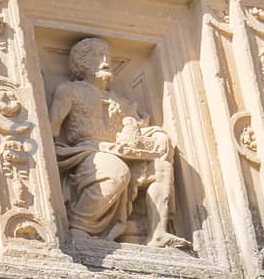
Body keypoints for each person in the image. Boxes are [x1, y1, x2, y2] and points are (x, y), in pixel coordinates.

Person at [49, 37, 188, 248]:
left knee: (160, 167)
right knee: (115, 169)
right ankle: (79, 226)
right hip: (87, 151)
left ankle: (158, 233)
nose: (105, 61)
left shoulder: (121, 101)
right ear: (81, 63)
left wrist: (158, 135)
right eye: (97, 56)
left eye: (107, 57)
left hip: (121, 151)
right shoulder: (70, 91)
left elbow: (139, 130)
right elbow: (52, 127)